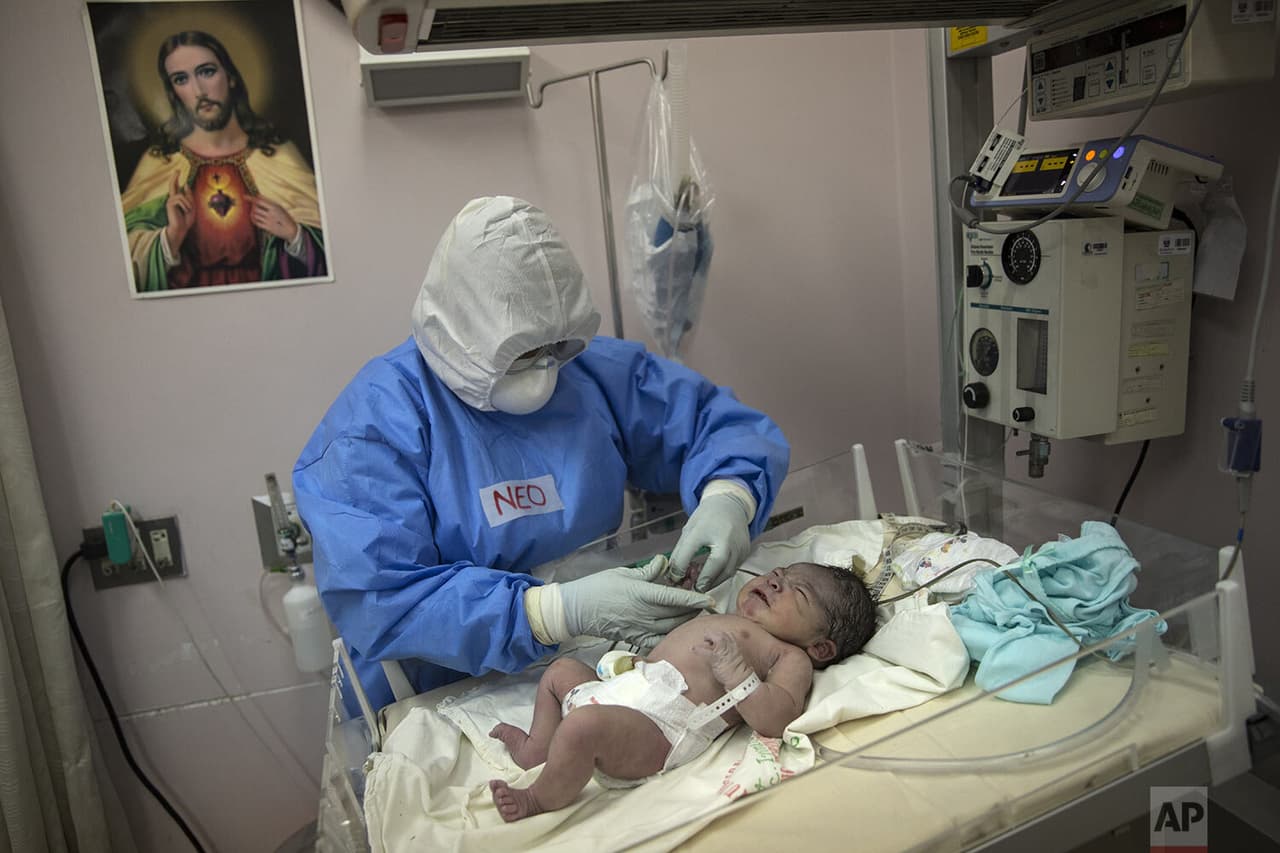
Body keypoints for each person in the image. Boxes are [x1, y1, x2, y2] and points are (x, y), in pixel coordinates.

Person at [293, 196, 790, 711]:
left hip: (594, 663)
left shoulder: (592, 373)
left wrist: (730, 496)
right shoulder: (373, 429)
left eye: (560, 346)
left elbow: (719, 423)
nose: (547, 372)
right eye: (524, 353)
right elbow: (382, 600)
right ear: (458, 331)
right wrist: (553, 612)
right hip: (437, 691)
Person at [487, 560, 876, 821]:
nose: (775, 581)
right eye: (778, 573)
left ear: (821, 647)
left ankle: (538, 798)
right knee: (560, 672)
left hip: (658, 729)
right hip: (623, 692)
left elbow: (777, 718)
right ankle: (537, 749)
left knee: (581, 728)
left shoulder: (789, 656)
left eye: (797, 592)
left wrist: (739, 674)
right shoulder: (727, 614)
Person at [118, 30, 326, 292]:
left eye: (206, 72)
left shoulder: (277, 154)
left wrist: (295, 235)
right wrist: (171, 237)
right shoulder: (161, 162)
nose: (199, 91)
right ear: (173, 92)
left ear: (230, 77)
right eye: (181, 79)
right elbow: (125, 265)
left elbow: (336, 250)